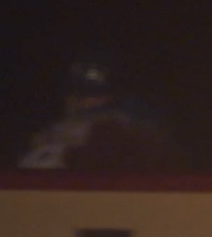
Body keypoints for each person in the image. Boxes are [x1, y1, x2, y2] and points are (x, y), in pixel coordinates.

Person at [19, 56, 176, 173]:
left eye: (96, 96)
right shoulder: (52, 133)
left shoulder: (123, 131)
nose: (85, 102)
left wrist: (69, 156)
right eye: (78, 95)